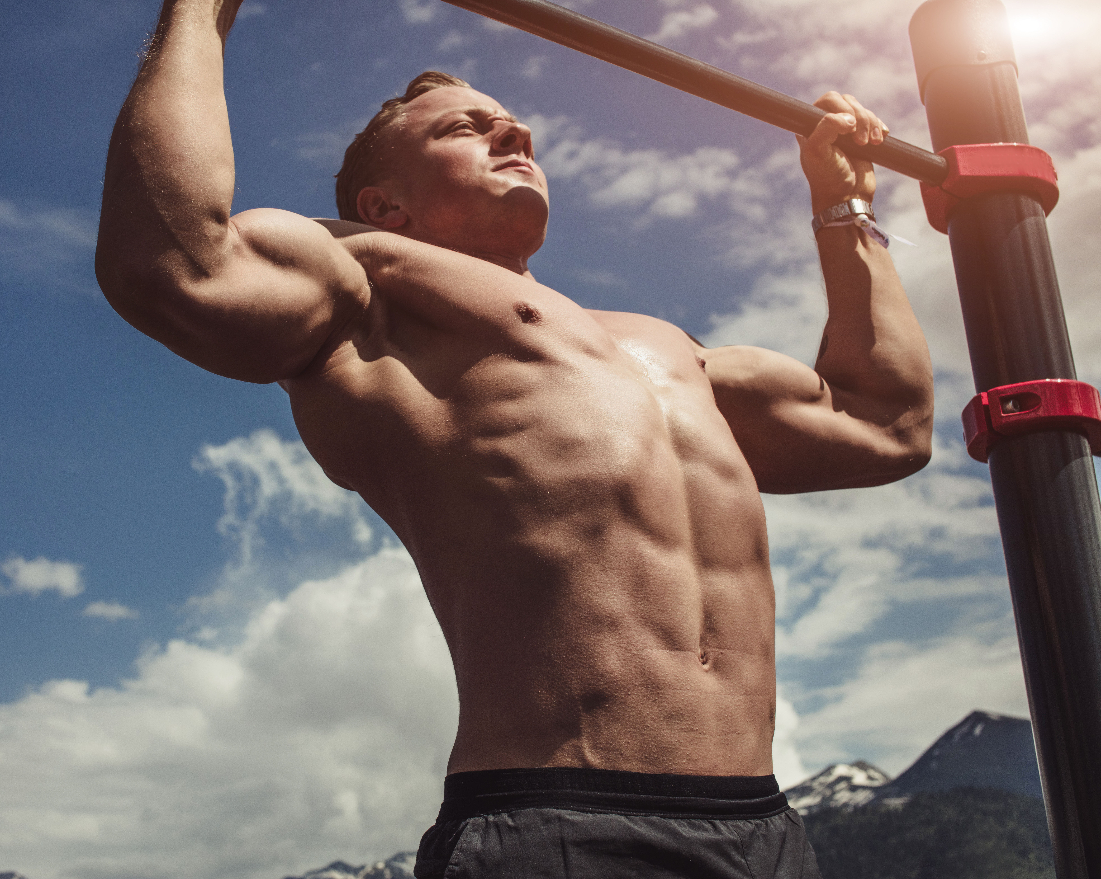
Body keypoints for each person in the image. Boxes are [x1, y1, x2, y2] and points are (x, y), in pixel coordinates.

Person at [95, 1, 933, 876]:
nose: (515, 133)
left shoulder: (666, 347)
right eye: (469, 127)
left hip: (765, 826)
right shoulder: (368, 285)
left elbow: (886, 421)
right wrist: (199, 12)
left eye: (518, 125)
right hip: (560, 822)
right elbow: (175, 263)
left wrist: (842, 205)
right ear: (386, 204)